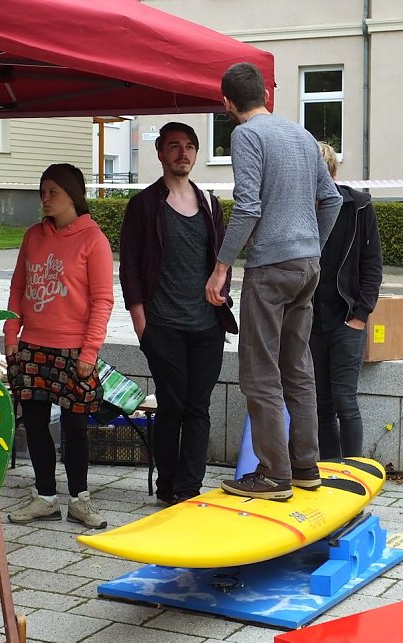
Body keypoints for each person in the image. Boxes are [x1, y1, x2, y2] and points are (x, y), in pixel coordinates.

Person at [205, 62, 342, 501]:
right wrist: (312, 246)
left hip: (270, 268)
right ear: (266, 95)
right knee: (297, 369)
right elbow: (332, 198)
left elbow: (247, 208)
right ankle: (306, 468)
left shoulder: (246, 136)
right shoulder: (303, 136)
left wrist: (222, 266)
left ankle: (272, 475)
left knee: (260, 372)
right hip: (307, 266)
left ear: (227, 103)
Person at [119, 122, 237, 505]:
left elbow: (223, 257)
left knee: (198, 408)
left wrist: (222, 289)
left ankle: (189, 490)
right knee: (172, 407)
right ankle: (167, 488)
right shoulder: (143, 206)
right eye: (174, 146)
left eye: (189, 146)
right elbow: (131, 267)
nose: (182, 153)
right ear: (160, 153)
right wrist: (141, 323)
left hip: (206, 327)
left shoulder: (208, 203)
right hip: (163, 327)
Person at [4, 163, 114, 528]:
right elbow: (18, 288)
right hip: (31, 346)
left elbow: (102, 300)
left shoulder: (92, 239)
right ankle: (45, 497)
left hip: (73, 349)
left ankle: (80, 499)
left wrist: (90, 351)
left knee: (75, 426)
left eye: (53, 192)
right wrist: (10, 336)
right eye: (43, 191)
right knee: (34, 424)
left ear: (73, 195)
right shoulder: (33, 235)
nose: (45, 199)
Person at [311, 142, 383, 459]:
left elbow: (372, 265)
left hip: (346, 317)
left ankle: (352, 473)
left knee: (344, 400)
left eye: (323, 176)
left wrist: (360, 316)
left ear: (334, 174)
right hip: (309, 320)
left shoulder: (359, 207)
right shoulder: (298, 208)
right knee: (320, 403)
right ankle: (328, 471)